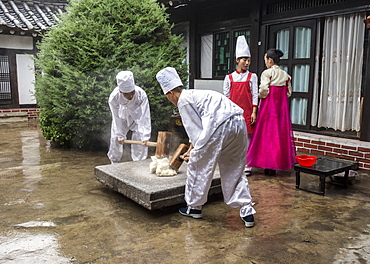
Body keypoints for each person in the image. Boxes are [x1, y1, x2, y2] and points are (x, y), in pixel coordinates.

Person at [156, 67, 256, 228]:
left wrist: (193, 153)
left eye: (168, 97)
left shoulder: (183, 100)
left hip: (219, 125)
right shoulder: (196, 94)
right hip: (238, 123)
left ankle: (193, 207)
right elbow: (199, 134)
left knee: (198, 165)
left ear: (170, 93)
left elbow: (197, 133)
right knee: (235, 167)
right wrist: (192, 149)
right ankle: (247, 211)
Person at [247, 49, 296, 175]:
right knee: (278, 134)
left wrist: (260, 96)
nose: (265, 63)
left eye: (265, 60)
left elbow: (263, 89)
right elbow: (289, 92)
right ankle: (275, 164)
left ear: (270, 60)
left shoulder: (267, 73)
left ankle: (266, 163)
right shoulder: (286, 75)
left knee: (266, 134)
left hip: (268, 108)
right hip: (281, 109)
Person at [223, 35, 258, 177]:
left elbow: (255, 95)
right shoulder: (229, 78)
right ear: (237, 60)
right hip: (233, 113)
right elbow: (225, 97)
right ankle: (235, 164)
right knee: (234, 138)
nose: (247, 63)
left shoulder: (252, 77)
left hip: (248, 112)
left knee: (248, 139)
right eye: (244, 60)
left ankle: (248, 166)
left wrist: (254, 112)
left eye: (248, 60)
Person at [107, 71, 151, 164]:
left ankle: (139, 164)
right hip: (121, 117)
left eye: (132, 92)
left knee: (140, 138)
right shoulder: (114, 97)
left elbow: (145, 116)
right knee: (115, 138)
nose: (130, 96)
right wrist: (120, 135)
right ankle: (114, 163)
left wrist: (145, 135)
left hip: (137, 119)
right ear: (120, 91)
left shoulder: (141, 94)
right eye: (126, 94)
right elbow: (115, 117)